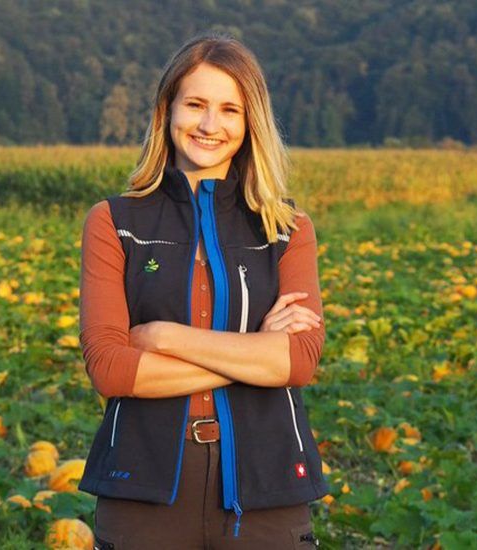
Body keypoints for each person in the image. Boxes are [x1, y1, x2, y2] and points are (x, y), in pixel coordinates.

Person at [78, 32, 327, 549]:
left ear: (250, 122)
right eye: (195, 105)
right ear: (167, 110)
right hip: (141, 485)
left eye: (229, 110)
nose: (210, 125)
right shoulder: (114, 222)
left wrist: (163, 337)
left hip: (267, 485)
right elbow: (111, 368)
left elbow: (299, 361)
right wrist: (256, 354)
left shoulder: (288, 229)